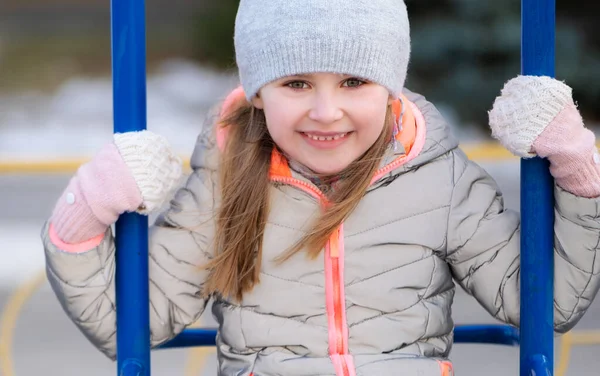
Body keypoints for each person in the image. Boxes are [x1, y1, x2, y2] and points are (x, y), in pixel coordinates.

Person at [41, 0, 600, 375]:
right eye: (297, 82)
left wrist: (576, 168)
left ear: (390, 89)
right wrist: (85, 211)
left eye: (354, 81)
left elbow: (548, 301)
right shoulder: (226, 179)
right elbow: (128, 323)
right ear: (258, 91)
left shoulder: (437, 174)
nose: (326, 111)